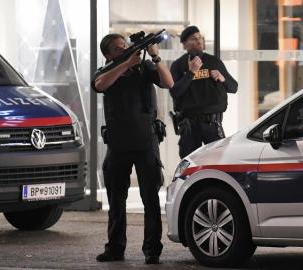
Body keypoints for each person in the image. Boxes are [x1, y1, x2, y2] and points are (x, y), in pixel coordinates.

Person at [91, 33, 173, 264]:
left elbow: (168, 83)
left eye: (125, 45)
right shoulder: (106, 71)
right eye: (119, 48)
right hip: (118, 144)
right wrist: (126, 63)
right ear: (109, 54)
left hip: (146, 142)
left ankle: (152, 250)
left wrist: (156, 57)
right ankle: (115, 248)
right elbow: (100, 85)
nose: (124, 48)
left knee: (150, 199)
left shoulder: (145, 67)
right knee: (116, 200)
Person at [170, 26, 238, 158]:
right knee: (188, 165)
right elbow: (175, 92)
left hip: (212, 124)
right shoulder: (178, 65)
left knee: (218, 162)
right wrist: (191, 73)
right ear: (184, 45)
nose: (198, 41)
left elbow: (233, 87)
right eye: (193, 39)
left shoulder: (214, 61)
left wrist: (222, 79)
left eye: (200, 38)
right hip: (189, 125)